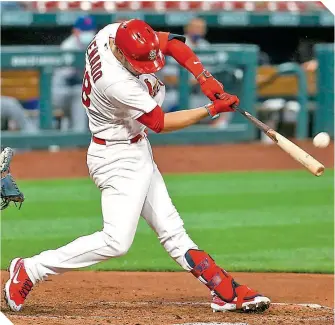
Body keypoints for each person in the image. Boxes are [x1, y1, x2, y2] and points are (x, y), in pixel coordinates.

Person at [4, 19, 270, 314]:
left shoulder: (112, 33)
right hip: (115, 158)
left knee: (173, 231)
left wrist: (203, 76)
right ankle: (30, 269)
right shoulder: (115, 83)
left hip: (135, 146)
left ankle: (225, 291)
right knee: (117, 241)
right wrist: (211, 109)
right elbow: (160, 122)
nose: (148, 65)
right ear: (120, 53)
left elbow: (169, 42)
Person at [52, 15, 97, 132]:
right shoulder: (68, 46)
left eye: (90, 31)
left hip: (80, 90)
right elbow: (69, 77)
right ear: (75, 31)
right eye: (84, 31)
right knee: (80, 93)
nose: (88, 34)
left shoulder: (95, 45)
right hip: (61, 91)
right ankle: (78, 135)